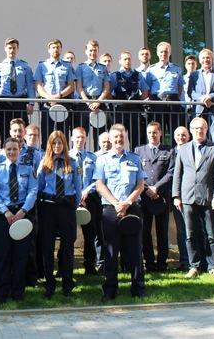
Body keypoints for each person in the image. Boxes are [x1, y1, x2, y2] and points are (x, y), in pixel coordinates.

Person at [94, 124, 147, 300]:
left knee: (135, 250)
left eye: (121, 136)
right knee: (110, 251)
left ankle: (138, 288)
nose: (118, 140)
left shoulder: (135, 159)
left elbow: (141, 185)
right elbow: (99, 185)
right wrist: (117, 203)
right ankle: (110, 289)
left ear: (126, 138)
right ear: (110, 139)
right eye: (115, 137)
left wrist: (127, 202)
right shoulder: (102, 160)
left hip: (132, 208)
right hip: (110, 209)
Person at [172, 117, 214, 279]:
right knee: (190, 233)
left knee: (211, 234)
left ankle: (212, 266)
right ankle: (194, 265)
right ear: (191, 131)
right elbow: (178, 174)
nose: (198, 131)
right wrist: (176, 196)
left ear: (206, 129)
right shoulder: (183, 149)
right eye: (195, 129)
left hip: (208, 197)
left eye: (201, 128)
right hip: (187, 197)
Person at [0, 137, 38, 303]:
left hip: (22, 215)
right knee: (2, 255)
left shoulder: (28, 169)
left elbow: (32, 191)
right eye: (8, 149)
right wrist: (6, 212)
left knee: (20, 256)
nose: (11, 152)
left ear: (19, 150)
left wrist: (23, 211)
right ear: (3, 150)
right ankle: (2, 293)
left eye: (14, 149)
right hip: (3, 216)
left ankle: (18, 292)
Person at [37, 131, 81, 298]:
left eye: (60, 143)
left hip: (66, 208)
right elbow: (40, 187)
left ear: (64, 145)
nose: (57, 147)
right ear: (50, 145)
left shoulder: (73, 163)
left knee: (68, 247)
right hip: (48, 208)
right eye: (54, 143)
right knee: (47, 247)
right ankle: (49, 284)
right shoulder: (45, 164)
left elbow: (78, 187)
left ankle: (67, 283)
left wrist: (72, 208)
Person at [134, 122, 175, 272]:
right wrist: (147, 189)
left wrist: (156, 188)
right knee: (145, 232)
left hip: (161, 196)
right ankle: (149, 263)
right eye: (150, 132)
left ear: (160, 133)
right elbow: (136, 172)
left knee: (162, 232)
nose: (152, 135)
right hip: (144, 196)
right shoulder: (139, 151)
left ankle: (162, 263)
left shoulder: (169, 151)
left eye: (155, 132)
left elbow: (171, 173)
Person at [70, 127, 102, 274]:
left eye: (82, 137)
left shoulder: (93, 158)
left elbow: (98, 178)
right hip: (70, 199)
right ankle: (66, 264)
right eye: (77, 137)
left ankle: (90, 265)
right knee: (68, 234)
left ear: (86, 139)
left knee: (91, 234)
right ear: (72, 138)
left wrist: (86, 191)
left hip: (89, 199)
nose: (79, 140)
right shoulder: (66, 157)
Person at [34, 39, 76, 148]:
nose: (55, 49)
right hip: (47, 104)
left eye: (58, 47)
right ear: (49, 50)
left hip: (63, 102)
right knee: (46, 133)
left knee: (63, 135)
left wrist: (58, 96)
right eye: (53, 47)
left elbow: (71, 86)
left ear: (61, 49)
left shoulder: (67, 66)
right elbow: (38, 85)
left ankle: (64, 159)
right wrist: (48, 97)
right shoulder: (42, 65)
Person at [0, 38, 35, 140]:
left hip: (19, 101)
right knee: (5, 129)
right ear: (5, 49)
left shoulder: (25, 66)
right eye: (10, 48)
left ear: (18, 49)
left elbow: (30, 85)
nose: (12, 50)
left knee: (22, 129)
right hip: (4, 101)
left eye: (14, 48)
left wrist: (31, 103)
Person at [110, 51, 150, 148]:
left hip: (134, 110)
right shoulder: (115, 75)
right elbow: (107, 92)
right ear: (120, 61)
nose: (127, 61)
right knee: (118, 137)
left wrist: (137, 101)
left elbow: (146, 92)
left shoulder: (138, 75)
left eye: (129, 59)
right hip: (120, 111)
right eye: (125, 59)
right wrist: (116, 101)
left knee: (136, 139)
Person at [146, 42, 184, 144]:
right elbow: (148, 88)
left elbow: (180, 86)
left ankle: (176, 154)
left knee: (175, 130)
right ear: (157, 53)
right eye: (161, 52)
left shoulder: (177, 68)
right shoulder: (151, 70)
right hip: (158, 101)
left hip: (173, 101)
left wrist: (175, 97)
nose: (164, 54)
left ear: (170, 53)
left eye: (166, 51)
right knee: (158, 130)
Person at [189, 48, 214, 143]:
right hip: (200, 110)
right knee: (199, 136)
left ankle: (213, 156)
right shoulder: (194, 75)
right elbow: (191, 92)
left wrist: (211, 97)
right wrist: (202, 98)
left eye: (208, 57)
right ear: (200, 60)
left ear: (212, 59)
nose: (206, 60)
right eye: (203, 58)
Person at [75, 40, 111, 143]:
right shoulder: (80, 67)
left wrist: (98, 102)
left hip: (99, 102)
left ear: (98, 51)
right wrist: (88, 102)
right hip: (84, 103)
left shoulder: (103, 68)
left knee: (100, 137)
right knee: (82, 135)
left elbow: (106, 87)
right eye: (90, 50)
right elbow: (79, 87)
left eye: (95, 50)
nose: (93, 53)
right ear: (86, 51)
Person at [172, 126, 191, 270]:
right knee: (182, 231)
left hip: (193, 195)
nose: (181, 137)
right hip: (177, 197)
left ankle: (198, 260)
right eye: (178, 135)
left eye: (184, 135)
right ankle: (185, 260)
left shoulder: (193, 150)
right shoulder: (171, 153)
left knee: (196, 229)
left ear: (188, 136)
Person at [181, 54, 197, 123]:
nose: (191, 65)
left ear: (196, 65)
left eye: (193, 63)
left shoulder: (200, 79)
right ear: (185, 65)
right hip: (184, 108)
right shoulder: (182, 79)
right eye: (189, 63)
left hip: (196, 108)